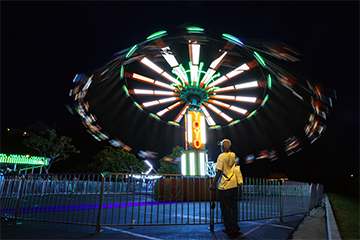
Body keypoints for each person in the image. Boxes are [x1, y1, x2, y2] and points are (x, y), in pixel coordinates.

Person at [210, 139, 241, 234]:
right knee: (234, 207)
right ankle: (235, 226)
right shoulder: (233, 155)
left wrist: (214, 183)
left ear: (222, 147)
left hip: (224, 186)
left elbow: (219, 171)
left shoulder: (221, 156)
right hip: (234, 184)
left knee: (225, 208)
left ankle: (229, 227)